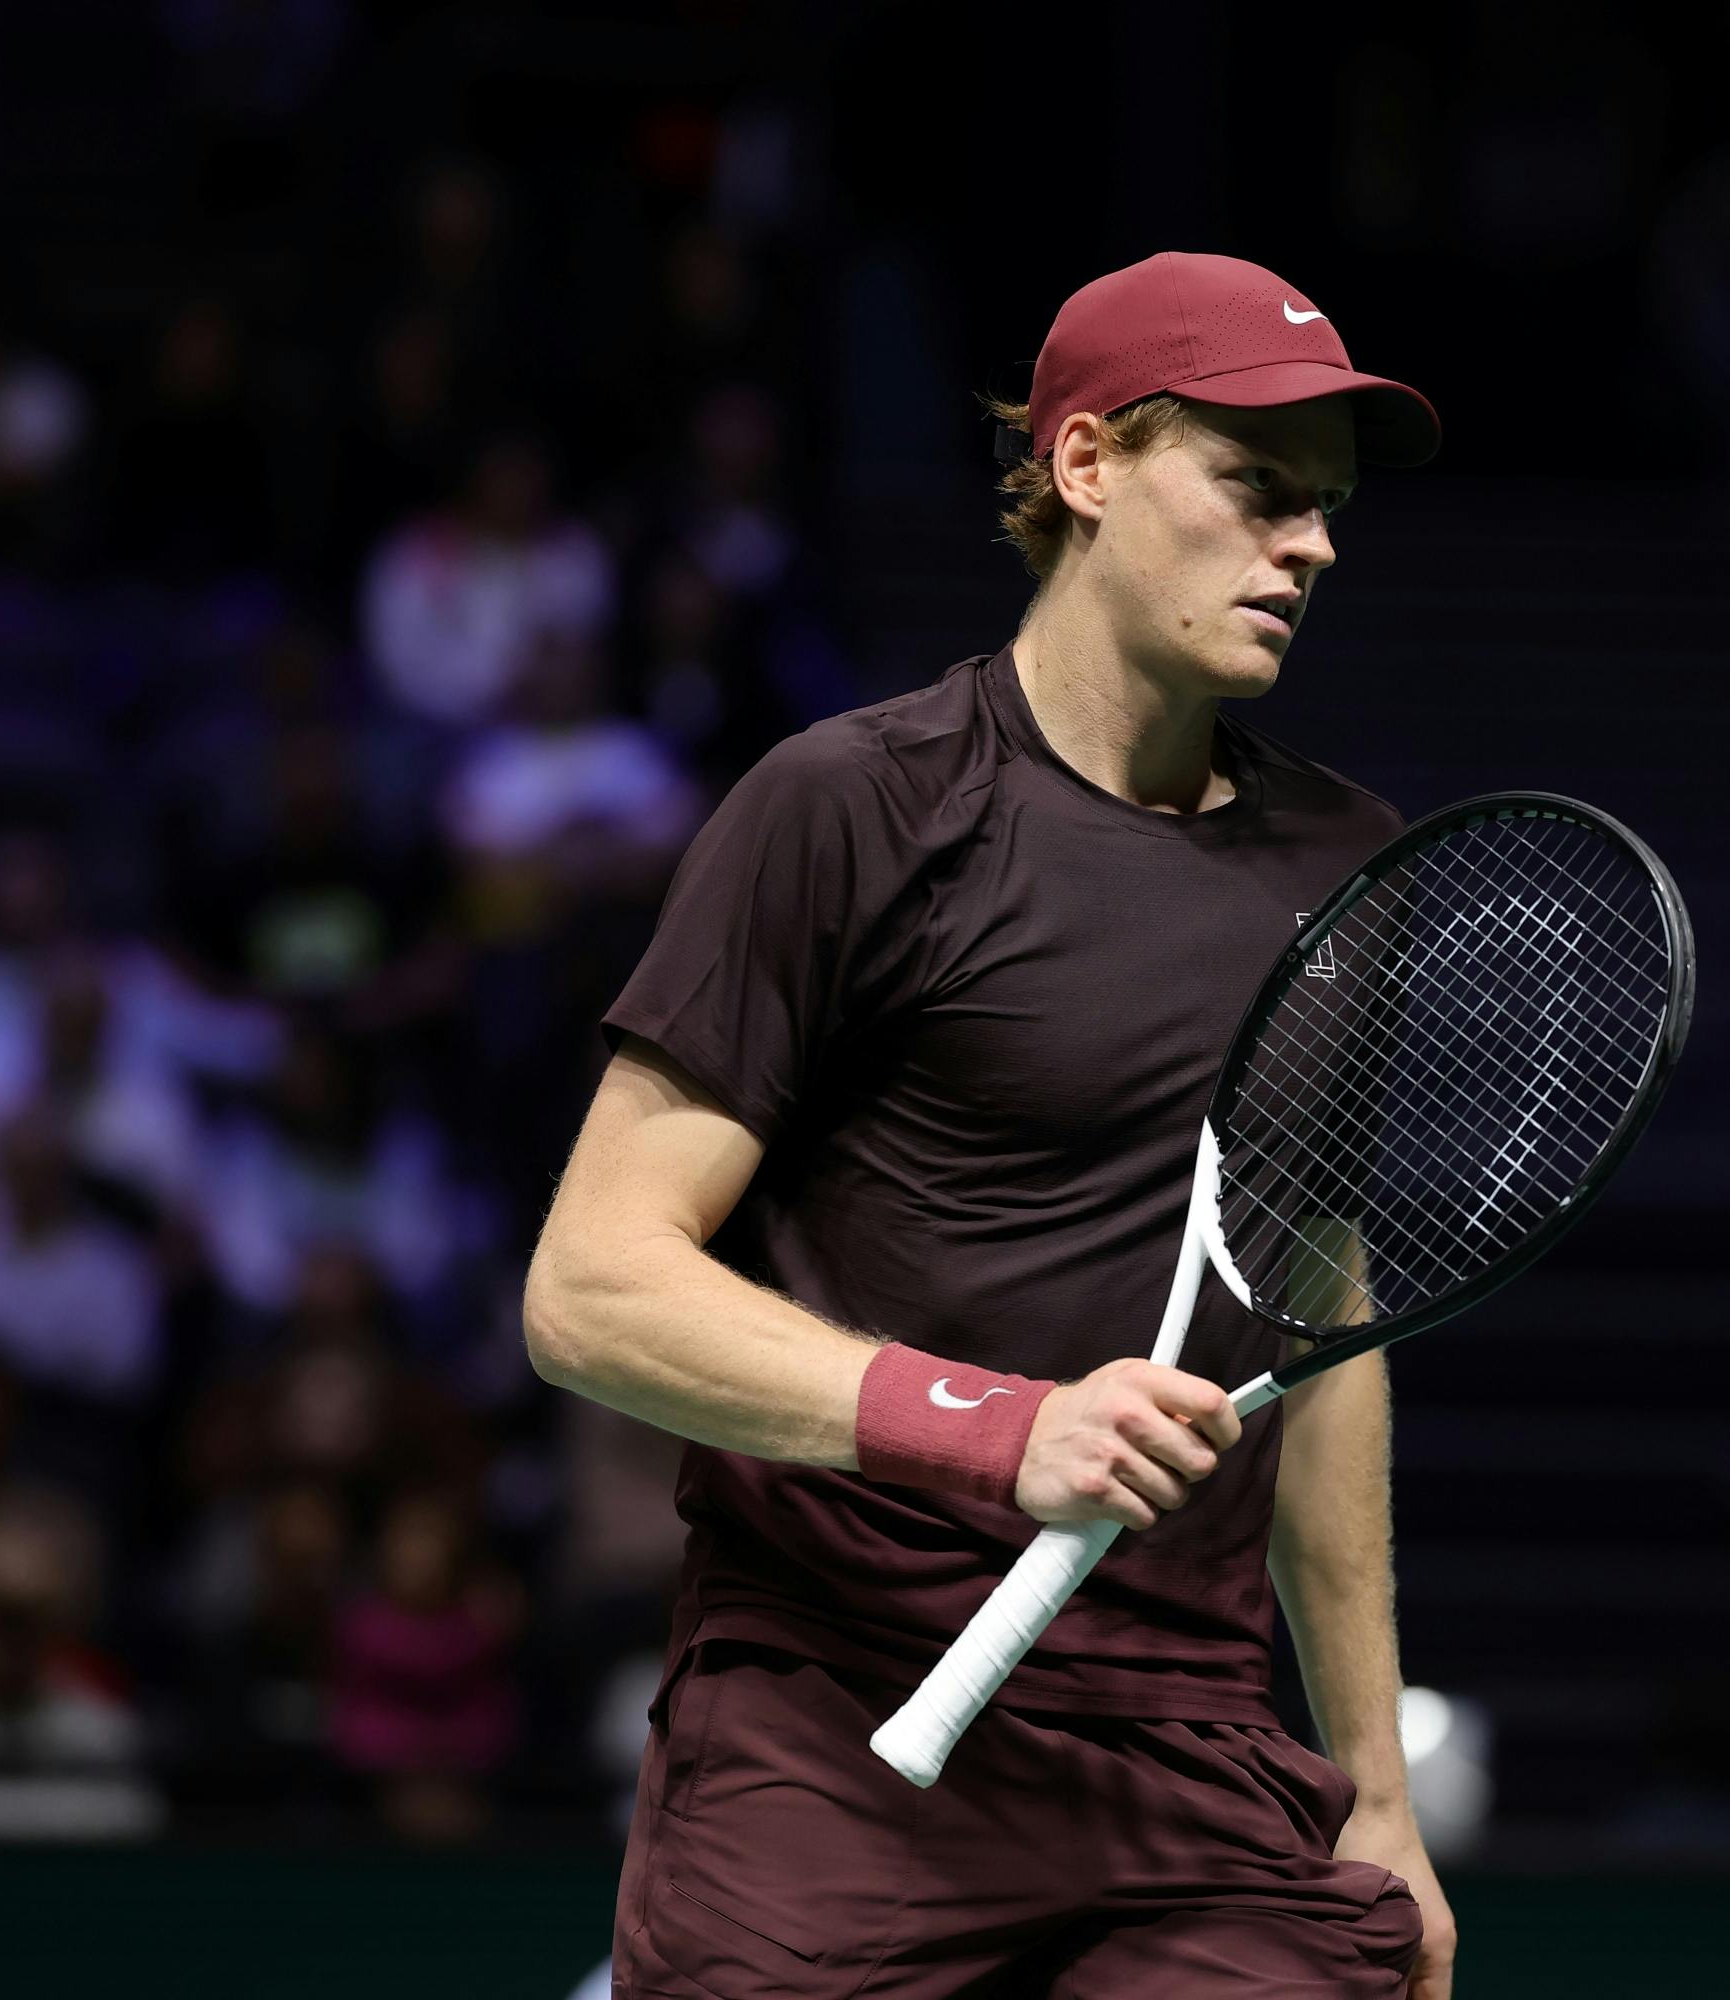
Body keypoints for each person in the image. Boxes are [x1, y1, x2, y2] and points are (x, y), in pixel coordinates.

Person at [525, 252, 1455, 1998]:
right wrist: (994, 1430)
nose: (1311, 546)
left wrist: (1382, 1801)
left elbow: (1324, 1340)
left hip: (1188, 1764)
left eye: (1324, 510)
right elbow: (591, 1290)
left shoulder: (1346, 877)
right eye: (1257, 490)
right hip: (835, 1724)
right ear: (1086, 466)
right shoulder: (852, 812)